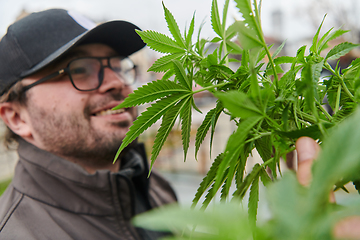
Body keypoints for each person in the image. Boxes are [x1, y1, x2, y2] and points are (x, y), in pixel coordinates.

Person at [0, 8, 177, 240]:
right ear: (17, 117)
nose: (116, 82)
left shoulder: (156, 187)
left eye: (117, 66)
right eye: (79, 69)